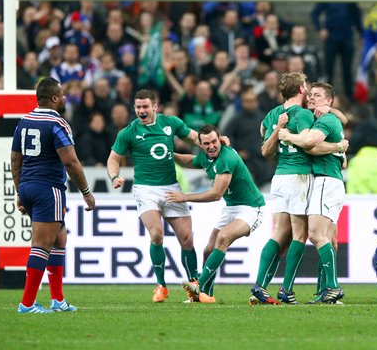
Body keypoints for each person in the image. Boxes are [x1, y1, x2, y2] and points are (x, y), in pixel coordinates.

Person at [250, 73, 348, 305]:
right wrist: (338, 147)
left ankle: (261, 285)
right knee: (301, 235)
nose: (311, 94)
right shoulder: (304, 114)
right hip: (300, 176)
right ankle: (287, 289)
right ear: (302, 88)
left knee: (280, 234)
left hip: (279, 176)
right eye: (308, 89)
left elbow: (263, 138)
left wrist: (279, 131)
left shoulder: (273, 114)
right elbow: (308, 141)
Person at [106, 89, 201, 303]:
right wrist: (114, 176)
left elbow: (195, 138)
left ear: (155, 107)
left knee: (187, 238)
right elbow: (113, 159)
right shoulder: (128, 132)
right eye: (138, 107)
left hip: (171, 187)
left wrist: (215, 145)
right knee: (157, 234)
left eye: (145, 107)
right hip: (145, 189)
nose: (141, 110)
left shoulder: (171, 123)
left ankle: (194, 285)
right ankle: (161, 285)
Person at [12, 77, 96, 314]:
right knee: (41, 245)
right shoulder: (57, 123)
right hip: (48, 189)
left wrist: (20, 190)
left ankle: (57, 299)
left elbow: (15, 159)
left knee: (60, 238)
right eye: (62, 94)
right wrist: (86, 192)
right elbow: (70, 161)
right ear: (53, 98)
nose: (65, 98)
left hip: (28, 186)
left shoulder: (24, 121)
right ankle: (27, 303)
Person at [167, 125, 265, 303]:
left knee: (223, 238)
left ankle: (199, 287)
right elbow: (190, 161)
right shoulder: (206, 157)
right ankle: (207, 295)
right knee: (208, 250)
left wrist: (184, 197)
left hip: (252, 208)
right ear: (200, 145)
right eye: (206, 143)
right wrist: (169, 155)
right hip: (231, 207)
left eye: (214, 141)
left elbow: (216, 194)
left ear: (220, 139)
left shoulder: (225, 159)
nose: (211, 146)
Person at [278, 82, 346, 304]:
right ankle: (324, 290)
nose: (311, 98)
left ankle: (333, 287)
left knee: (316, 235)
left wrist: (287, 136)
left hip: (326, 181)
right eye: (310, 95)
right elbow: (339, 126)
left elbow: (310, 144)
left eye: (317, 95)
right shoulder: (325, 118)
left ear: (329, 100)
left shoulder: (326, 119)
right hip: (330, 182)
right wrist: (339, 147)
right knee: (329, 239)